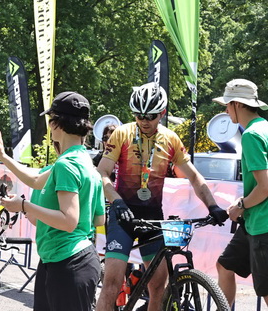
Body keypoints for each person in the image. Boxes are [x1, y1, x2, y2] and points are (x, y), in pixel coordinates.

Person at [96, 82, 228, 311]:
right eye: (139, 115)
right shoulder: (122, 134)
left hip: (152, 216)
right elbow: (102, 173)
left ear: (162, 113)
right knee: (112, 285)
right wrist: (116, 201)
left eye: (151, 115)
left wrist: (212, 205)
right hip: (122, 214)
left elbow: (194, 176)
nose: (144, 120)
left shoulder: (171, 139)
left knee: (158, 285)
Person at [0, 91, 106, 311]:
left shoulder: (66, 165)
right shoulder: (84, 162)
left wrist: (24, 206)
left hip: (68, 263)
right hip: (67, 261)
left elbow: (68, 221)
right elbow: (98, 218)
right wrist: (3, 156)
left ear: (56, 124)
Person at [213, 79, 268, 307]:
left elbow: (265, 187)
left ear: (237, 104)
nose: (226, 110)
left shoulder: (251, 135)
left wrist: (240, 206)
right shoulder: (265, 127)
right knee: (225, 265)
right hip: (254, 221)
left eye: (227, 104)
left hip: (263, 224)